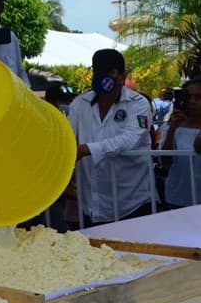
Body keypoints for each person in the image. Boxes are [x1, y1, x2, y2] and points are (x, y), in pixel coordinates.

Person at [66, 49, 154, 229]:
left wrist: (85, 149)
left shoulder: (138, 104)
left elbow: (130, 139)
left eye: (108, 72)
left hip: (131, 204)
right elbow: (66, 137)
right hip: (92, 206)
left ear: (122, 77)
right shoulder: (79, 104)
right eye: (97, 72)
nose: (101, 77)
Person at [160, 78, 201, 209]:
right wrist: (172, 130)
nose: (193, 101)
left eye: (198, 97)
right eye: (189, 97)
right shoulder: (174, 125)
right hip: (178, 198)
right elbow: (165, 162)